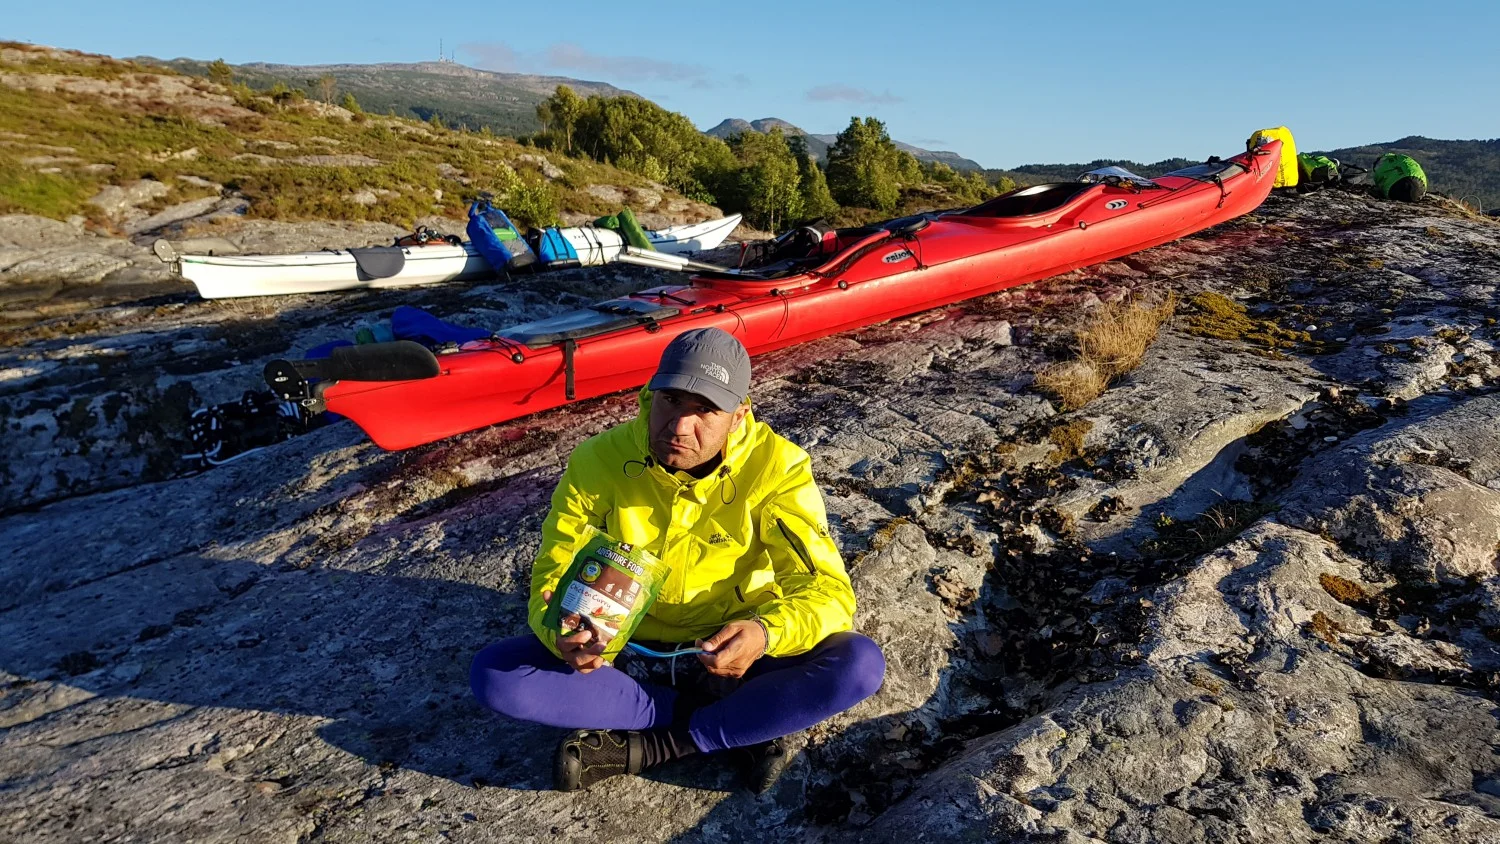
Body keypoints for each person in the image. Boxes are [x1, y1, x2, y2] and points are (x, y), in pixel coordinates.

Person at [470, 327, 885, 792]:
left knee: (858, 665)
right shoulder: (599, 460)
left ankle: (660, 744)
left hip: (731, 659)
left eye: (706, 409)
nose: (680, 427)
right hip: (625, 654)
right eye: (671, 401)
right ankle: (732, 725)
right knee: (498, 678)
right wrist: (561, 631)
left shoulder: (778, 469)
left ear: (739, 414)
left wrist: (766, 633)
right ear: (651, 394)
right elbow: (553, 570)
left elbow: (827, 591)